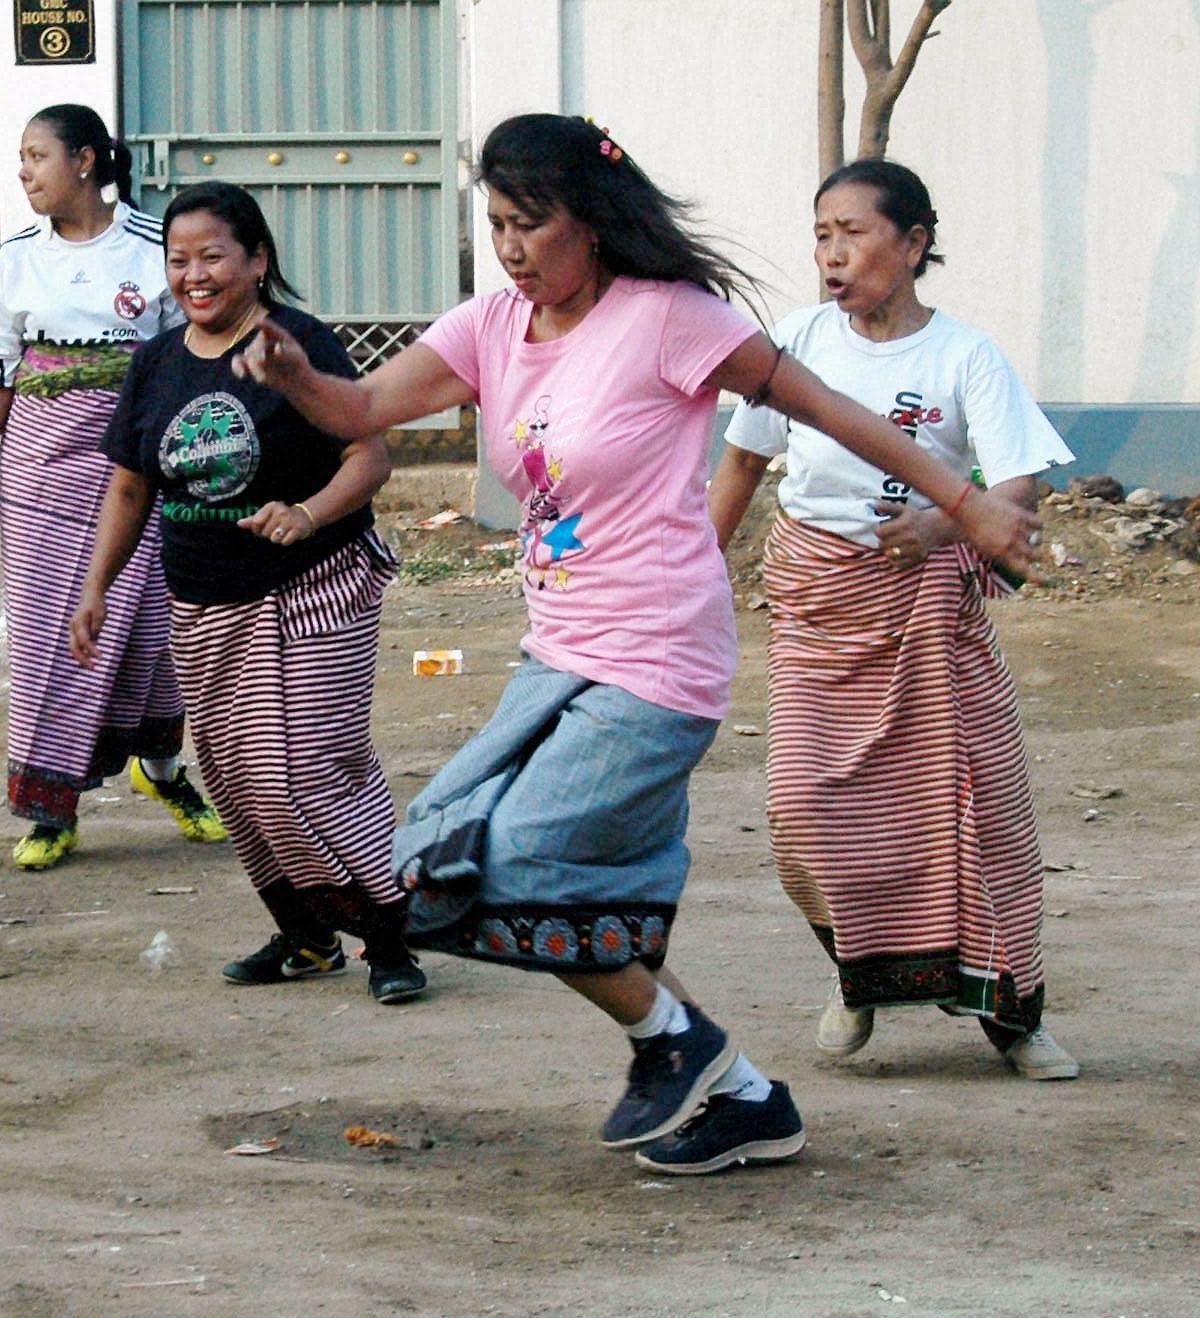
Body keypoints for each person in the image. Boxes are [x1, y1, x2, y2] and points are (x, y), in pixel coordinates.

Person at [237, 114, 1044, 1174]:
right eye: (497, 226)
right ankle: (733, 1088)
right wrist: (295, 372)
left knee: (522, 861)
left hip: (659, 656)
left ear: (595, 220)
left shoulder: (668, 318)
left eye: (532, 224)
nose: (513, 249)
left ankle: (682, 1045)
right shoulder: (491, 324)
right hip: (559, 654)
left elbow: (831, 410)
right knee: (431, 866)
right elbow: (359, 406)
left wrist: (967, 502)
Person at [711, 159, 1077, 1080]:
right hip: (818, 608)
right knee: (799, 809)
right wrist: (690, 577)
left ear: (913, 244)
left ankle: (1014, 1020)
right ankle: (854, 973)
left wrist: (947, 515)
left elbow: (1018, 485)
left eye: (854, 233)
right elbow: (742, 469)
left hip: (929, 622)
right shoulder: (795, 342)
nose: (832, 254)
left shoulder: (965, 356)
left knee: (977, 816)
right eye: (821, 234)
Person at [72, 182, 426, 1006]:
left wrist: (308, 514)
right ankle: (307, 936)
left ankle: (393, 932)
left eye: (212, 256)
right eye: (177, 260)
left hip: (316, 585)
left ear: (257, 259)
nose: (193, 275)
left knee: (298, 772)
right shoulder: (156, 364)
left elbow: (369, 459)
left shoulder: (298, 346)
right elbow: (128, 490)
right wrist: (95, 587)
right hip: (202, 598)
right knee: (232, 776)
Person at [0, 104, 223, 870]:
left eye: (35, 156)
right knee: (46, 640)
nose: (22, 174)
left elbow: (191, 358)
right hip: (40, 476)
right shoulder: (14, 261)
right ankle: (50, 809)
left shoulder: (153, 250)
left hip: (140, 467)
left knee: (153, 634)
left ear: (85, 161)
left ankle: (163, 773)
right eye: (18, 158)